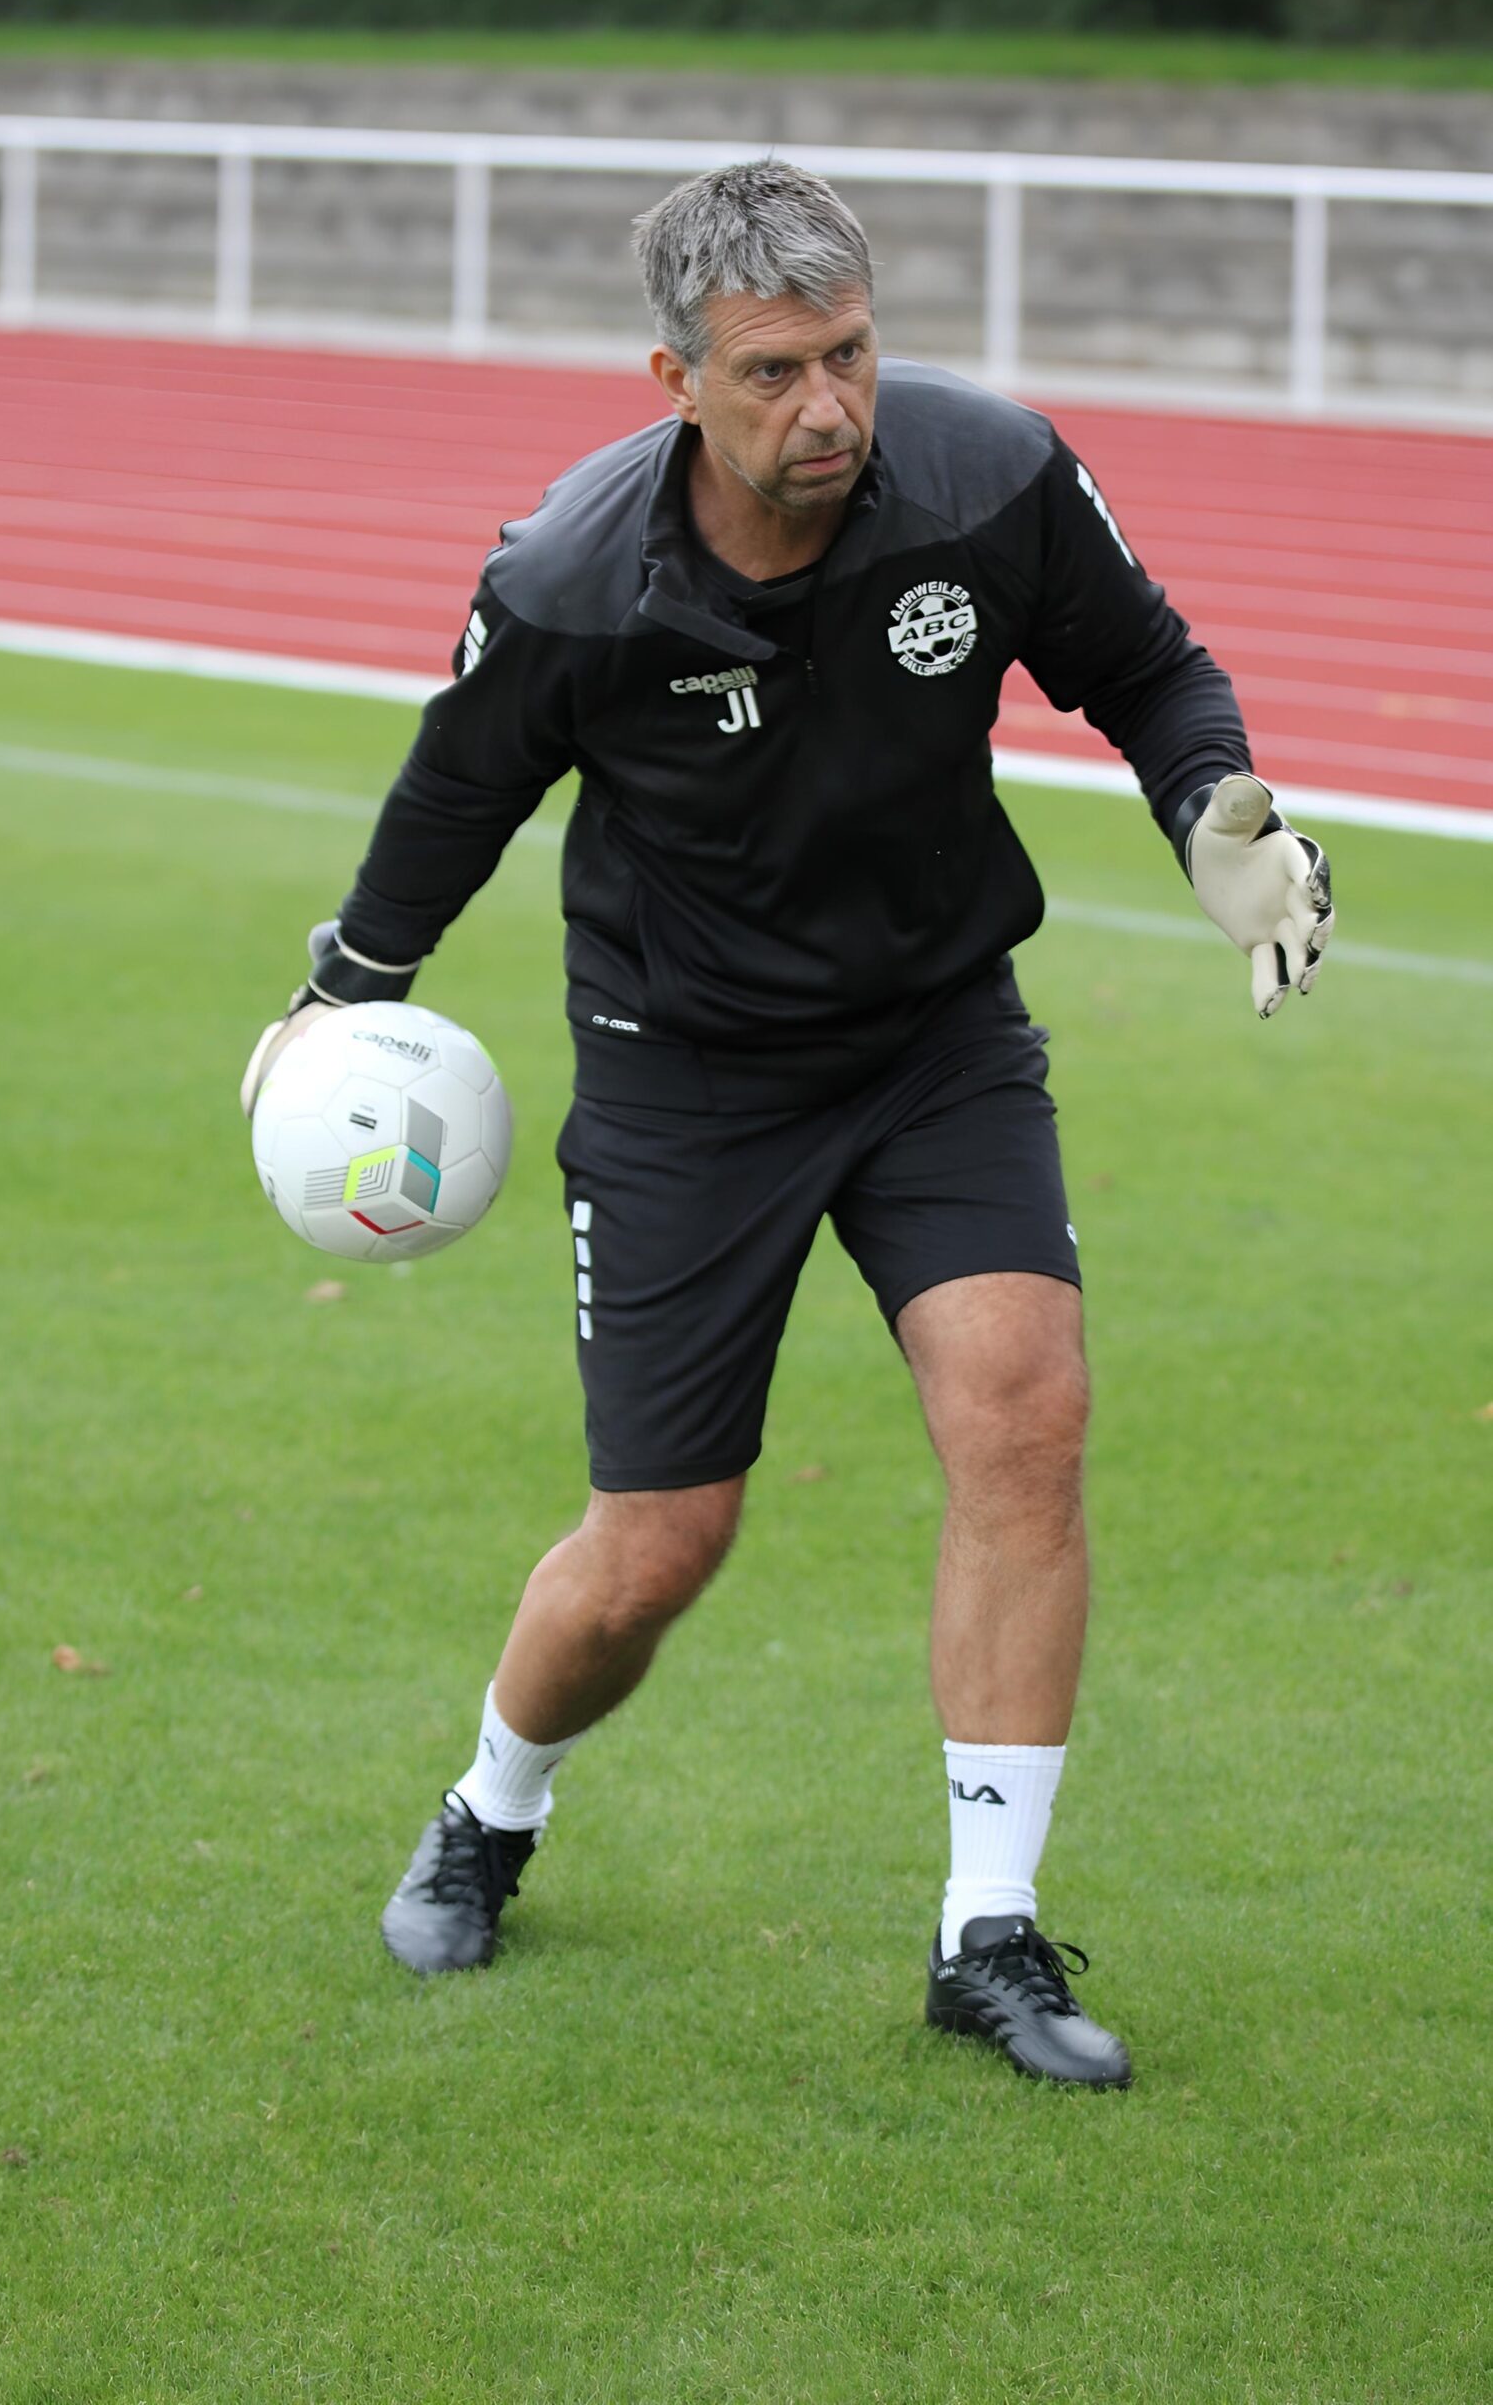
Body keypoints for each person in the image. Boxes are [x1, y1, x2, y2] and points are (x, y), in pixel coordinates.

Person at [241, 162, 1333, 2090]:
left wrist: (1215, 815)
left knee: (1023, 1412)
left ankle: (985, 1935)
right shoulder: (572, 579)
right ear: (675, 379)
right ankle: (492, 1807)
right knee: (657, 1548)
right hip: (682, 1075)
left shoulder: (989, 477)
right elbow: (455, 798)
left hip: (933, 1039)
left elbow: (1147, 668)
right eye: (771, 373)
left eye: (847, 354)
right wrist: (341, 994)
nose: (826, 407)